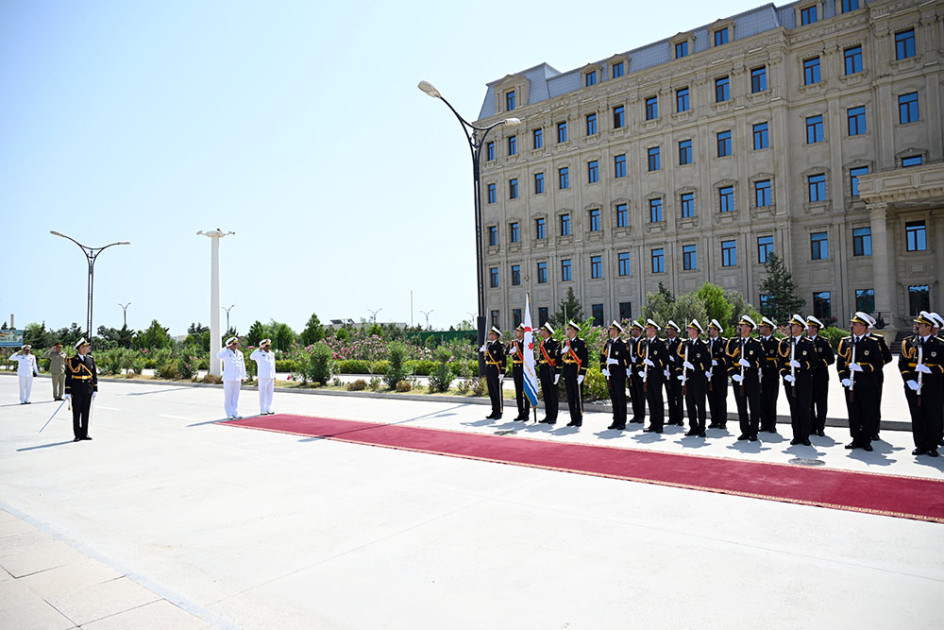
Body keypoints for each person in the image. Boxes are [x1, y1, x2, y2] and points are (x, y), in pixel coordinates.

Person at [836, 312, 885, 452]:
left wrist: (862, 368)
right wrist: (843, 377)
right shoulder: (846, 342)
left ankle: (866, 440)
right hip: (851, 384)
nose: (852, 326)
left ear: (864, 327)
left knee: (867, 412)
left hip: (867, 383)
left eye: (855, 324)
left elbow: (879, 363)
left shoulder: (872, 343)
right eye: (852, 323)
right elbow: (840, 362)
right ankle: (855, 438)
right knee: (854, 412)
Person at [898, 311, 943, 457]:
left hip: (933, 386)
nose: (916, 326)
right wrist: (909, 380)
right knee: (917, 416)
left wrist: (930, 370)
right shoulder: (909, 342)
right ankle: (920, 445)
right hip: (913, 386)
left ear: (928, 328)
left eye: (920, 324)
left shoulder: (939, 345)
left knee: (932, 416)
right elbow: (902, 363)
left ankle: (932, 445)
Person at [779, 314, 815, 446]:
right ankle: (796, 435)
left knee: (804, 408)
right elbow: (780, 362)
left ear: (800, 328)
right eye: (790, 325)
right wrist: (785, 374)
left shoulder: (808, 344)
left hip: (804, 381)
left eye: (793, 325)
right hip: (790, 381)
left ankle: (805, 436)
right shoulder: (784, 343)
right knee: (793, 408)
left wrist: (801, 365)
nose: (790, 327)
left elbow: (814, 362)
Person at [727, 316, 763, 441]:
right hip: (738, 379)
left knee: (754, 406)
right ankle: (744, 431)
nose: (740, 327)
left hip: (751, 379)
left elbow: (762, 361)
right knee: (741, 407)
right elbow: (729, 361)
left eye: (742, 326)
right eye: (740, 325)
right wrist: (733, 374)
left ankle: (754, 432)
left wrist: (750, 364)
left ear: (748, 328)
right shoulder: (733, 343)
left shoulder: (756, 344)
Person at [679, 320, 711, 437]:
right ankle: (693, 427)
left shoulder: (702, 346)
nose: (688, 331)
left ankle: (702, 428)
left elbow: (707, 363)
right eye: (688, 329)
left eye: (690, 329)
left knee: (700, 404)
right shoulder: (685, 344)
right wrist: (679, 372)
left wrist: (694, 367)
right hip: (688, 379)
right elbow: (679, 359)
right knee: (690, 404)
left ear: (696, 331)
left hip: (699, 379)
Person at [637, 319, 669, 433]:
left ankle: (659, 424)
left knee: (657, 400)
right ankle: (652, 423)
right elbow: (640, 358)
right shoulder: (645, 343)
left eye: (648, 328)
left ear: (654, 330)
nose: (646, 330)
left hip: (656, 375)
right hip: (647, 376)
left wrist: (654, 363)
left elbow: (665, 360)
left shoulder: (660, 344)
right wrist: (640, 369)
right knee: (650, 400)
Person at [805, 316, 835, 437]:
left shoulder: (823, 342)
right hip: (807, 377)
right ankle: (811, 427)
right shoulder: (804, 342)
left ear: (815, 329)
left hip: (821, 376)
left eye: (809, 327)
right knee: (809, 403)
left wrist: (819, 364)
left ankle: (820, 427)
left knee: (821, 403)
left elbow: (831, 359)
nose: (807, 329)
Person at [64, 338, 97, 441]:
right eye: (87, 346)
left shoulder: (90, 359)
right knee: (77, 412)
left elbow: (94, 375)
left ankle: (85, 433)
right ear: (81, 348)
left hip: (88, 389)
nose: (89, 348)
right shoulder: (72, 360)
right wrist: (67, 391)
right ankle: (77, 434)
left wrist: (95, 388)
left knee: (86, 412)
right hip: (76, 389)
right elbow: (68, 376)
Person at [560, 320, 588, 427]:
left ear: (574, 331)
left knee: (578, 396)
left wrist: (582, 373)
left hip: (576, 372)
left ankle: (579, 418)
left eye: (569, 329)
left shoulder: (581, 343)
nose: (567, 330)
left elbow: (585, 359)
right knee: (570, 397)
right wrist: (562, 351)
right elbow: (557, 354)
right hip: (567, 372)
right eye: (567, 329)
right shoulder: (564, 343)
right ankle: (572, 418)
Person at [601, 321, 629, 430]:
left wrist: (617, 362)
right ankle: (615, 420)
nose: (609, 331)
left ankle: (622, 421)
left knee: (620, 398)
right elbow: (602, 359)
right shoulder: (607, 344)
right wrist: (603, 369)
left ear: (616, 331)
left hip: (619, 374)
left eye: (611, 329)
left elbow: (628, 361)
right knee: (613, 398)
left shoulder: (622, 344)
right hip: (609, 375)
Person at [868, 324, 893, 441]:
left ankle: (874, 430)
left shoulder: (878, 339)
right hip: (859, 377)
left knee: (874, 403)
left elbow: (888, 357)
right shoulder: (853, 340)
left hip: (875, 376)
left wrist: (875, 365)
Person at [757, 317, 780, 433]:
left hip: (772, 375)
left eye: (762, 326)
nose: (760, 328)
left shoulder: (776, 343)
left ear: (768, 328)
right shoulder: (757, 341)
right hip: (760, 375)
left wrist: (766, 363)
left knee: (771, 399)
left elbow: (778, 359)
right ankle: (763, 423)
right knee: (761, 400)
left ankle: (771, 424)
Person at [706, 319, 729, 429]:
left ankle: (722, 421)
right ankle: (714, 420)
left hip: (720, 374)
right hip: (709, 374)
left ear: (716, 330)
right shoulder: (706, 343)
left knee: (721, 397)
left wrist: (716, 362)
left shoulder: (724, 342)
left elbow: (727, 358)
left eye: (710, 328)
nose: (709, 330)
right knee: (711, 397)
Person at [217, 336, 246, 419]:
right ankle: (229, 413)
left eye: (236, 344)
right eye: (233, 344)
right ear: (229, 345)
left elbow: (242, 365)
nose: (235, 345)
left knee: (235, 397)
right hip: (228, 378)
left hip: (237, 378)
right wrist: (226, 348)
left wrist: (243, 376)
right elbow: (218, 356)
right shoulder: (225, 352)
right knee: (228, 397)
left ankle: (235, 412)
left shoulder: (240, 353)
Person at [537, 323, 560, 425]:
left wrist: (557, 372)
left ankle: (553, 417)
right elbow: (541, 359)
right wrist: (536, 362)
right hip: (543, 370)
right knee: (546, 394)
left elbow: (558, 359)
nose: (540, 332)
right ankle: (547, 415)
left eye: (542, 330)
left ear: (547, 332)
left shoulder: (555, 343)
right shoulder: (541, 344)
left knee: (553, 394)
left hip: (551, 370)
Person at [481, 326, 506, 420]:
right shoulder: (488, 345)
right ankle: (494, 410)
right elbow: (478, 350)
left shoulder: (500, 345)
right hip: (489, 370)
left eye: (491, 334)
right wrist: (481, 349)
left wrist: (502, 371)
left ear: (495, 335)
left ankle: (499, 411)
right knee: (491, 391)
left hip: (496, 370)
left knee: (497, 391)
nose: (489, 335)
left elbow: (503, 359)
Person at [507, 324, 531, 421]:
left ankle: (526, 414)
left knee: (526, 392)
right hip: (516, 368)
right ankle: (520, 413)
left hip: (524, 368)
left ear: (522, 333)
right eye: (516, 330)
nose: (516, 332)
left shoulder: (527, 343)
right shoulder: (514, 343)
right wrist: (510, 350)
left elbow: (529, 355)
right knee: (518, 392)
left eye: (518, 331)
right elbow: (505, 352)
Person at [663, 321, 684, 426]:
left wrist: (673, 359)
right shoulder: (664, 342)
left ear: (675, 331)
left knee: (679, 396)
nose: (667, 331)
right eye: (667, 329)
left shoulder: (680, 342)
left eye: (670, 329)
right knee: (670, 396)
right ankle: (672, 418)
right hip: (668, 373)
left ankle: (680, 418)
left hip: (676, 372)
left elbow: (681, 357)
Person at [250, 338, 277, 416]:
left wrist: (274, 375)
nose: (268, 347)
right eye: (266, 345)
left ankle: (268, 408)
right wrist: (258, 349)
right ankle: (262, 409)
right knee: (263, 394)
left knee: (270, 393)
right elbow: (251, 357)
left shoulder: (272, 354)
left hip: (270, 376)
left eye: (268, 345)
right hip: (263, 376)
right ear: (262, 346)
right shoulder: (259, 353)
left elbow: (273, 365)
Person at [627, 320, 646, 424]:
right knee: (633, 393)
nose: (631, 331)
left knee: (640, 394)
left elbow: (644, 356)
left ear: (638, 331)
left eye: (633, 329)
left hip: (640, 371)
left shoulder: (642, 342)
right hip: (631, 371)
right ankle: (635, 415)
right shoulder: (629, 342)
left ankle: (641, 416)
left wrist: (637, 362)